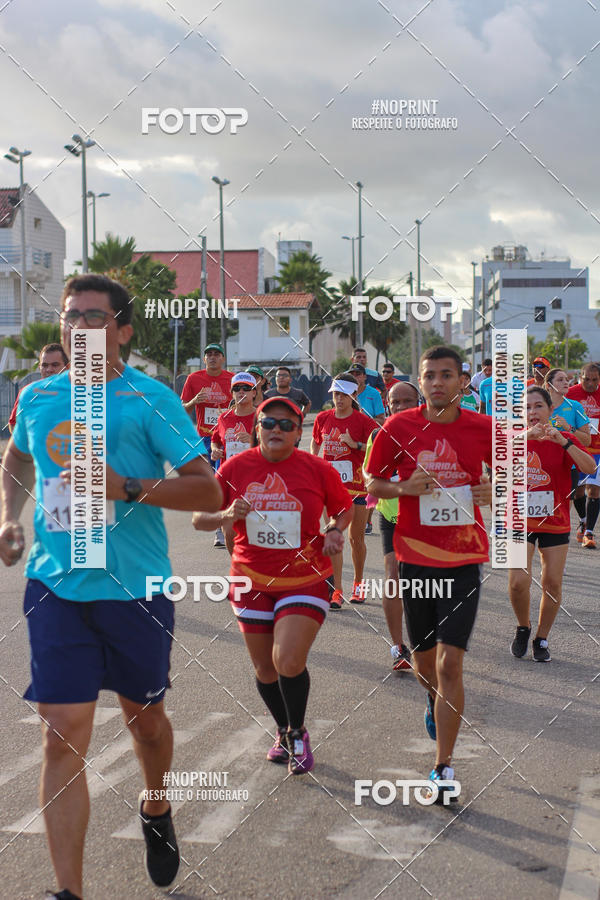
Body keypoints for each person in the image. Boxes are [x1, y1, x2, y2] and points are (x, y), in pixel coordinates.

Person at [0, 274, 222, 900]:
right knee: (61, 732)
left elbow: (208, 490)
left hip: (135, 590)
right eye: (70, 317)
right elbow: (17, 458)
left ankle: (156, 803)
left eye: (93, 318)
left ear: (123, 331)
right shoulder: (39, 394)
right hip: (57, 584)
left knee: (145, 723)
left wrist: (122, 486)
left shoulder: (150, 398)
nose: (78, 328)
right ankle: (68, 892)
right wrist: (8, 518)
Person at [192, 397, 353, 774]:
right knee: (265, 669)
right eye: (268, 423)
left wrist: (334, 529)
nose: (276, 429)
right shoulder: (235, 467)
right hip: (250, 580)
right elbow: (199, 518)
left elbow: (344, 508)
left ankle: (298, 733)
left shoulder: (316, 468)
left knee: (288, 659)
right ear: (257, 429)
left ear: (298, 432)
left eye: (286, 424)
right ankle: (284, 729)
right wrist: (226, 514)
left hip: (305, 578)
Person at [365, 346, 492, 801]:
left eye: (446, 375)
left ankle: (443, 766)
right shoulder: (398, 427)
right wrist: (403, 487)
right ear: (420, 381)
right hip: (415, 558)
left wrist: (492, 489)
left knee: (450, 662)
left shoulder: (483, 428)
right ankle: (432, 699)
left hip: (463, 559)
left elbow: (515, 477)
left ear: (462, 381)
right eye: (429, 375)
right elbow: (372, 482)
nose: (437, 382)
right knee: (424, 666)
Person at [509, 387, 595, 662]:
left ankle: (541, 638)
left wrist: (564, 442)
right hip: (518, 519)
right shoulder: (513, 436)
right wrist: (524, 437)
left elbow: (590, 468)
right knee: (518, 582)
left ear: (550, 410)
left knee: (552, 583)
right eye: (527, 407)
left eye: (538, 406)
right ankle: (523, 627)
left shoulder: (564, 438)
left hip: (554, 520)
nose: (532, 412)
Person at [363, 381, 420, 671]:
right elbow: (369, 473)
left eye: (406, 401)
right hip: (392, 517)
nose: (400, 407)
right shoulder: (379, 434)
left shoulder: (431, 432)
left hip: (428, 520)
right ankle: (399, 647)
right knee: (393, 578)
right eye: (395, 402)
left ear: (419, 403)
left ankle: (428, 642)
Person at [311, 374, 375, 606]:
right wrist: (314, 459)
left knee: (356, 539)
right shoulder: (322, 418)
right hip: (331, 490)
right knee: (334, 537)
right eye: (336, 394)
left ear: (354, 395)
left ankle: (358, 585)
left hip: (357, 489)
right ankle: (336, 590)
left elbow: (377, 448)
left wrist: (354, 444)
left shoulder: (364, 422)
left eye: (344, 395)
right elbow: (316, 441)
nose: (338, 399)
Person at [181, 343, 232, 546]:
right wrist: (194, 401)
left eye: (217, 354)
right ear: (204, 359)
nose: (212, 357)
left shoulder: (232, 379)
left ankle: (236, 525)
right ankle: (219, 529)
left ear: (223, 359)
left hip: (230, 439)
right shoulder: (194, 379)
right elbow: (182, 409)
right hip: (205, 439)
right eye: (208, 354)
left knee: (231, 482)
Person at [211, 373, 257, 551]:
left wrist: (253, 440)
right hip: (229, 481)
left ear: (254, 392)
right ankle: (237, 565)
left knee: (253, 531)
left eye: (246, 388)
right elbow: (215, 439)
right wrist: (215, 450)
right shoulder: (224, 418)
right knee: (229, 531)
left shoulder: (262, 417)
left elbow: (277, 447)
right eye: (236, 388)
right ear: (232, 393)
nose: (241, 392)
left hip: (256, 481)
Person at [545, 367, 591, 505]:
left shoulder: (575, 406)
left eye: (566, 379)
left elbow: (587, 440)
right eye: (560, 380)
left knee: (563, 510)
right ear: (548, 385)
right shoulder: (539, 406)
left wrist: (569, 428)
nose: (566, 382)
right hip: (543, 465)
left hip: (568, 468)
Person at [567, 363, 600, 548]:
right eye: (586, 379)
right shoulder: (571, 394)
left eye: (595, 380)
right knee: (578, 493)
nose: (590, 383)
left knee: (594, 491)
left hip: (598, 451)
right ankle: (583, 520)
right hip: (577, 449)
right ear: (580, 377)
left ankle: (589, 533)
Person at [8, 343, 69, 432]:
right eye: (45, 365)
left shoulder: (79, 393)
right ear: (39, 367)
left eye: (55, 365)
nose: (49, 369)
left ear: (67, 367)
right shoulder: (28, 392)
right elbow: (13, 424)